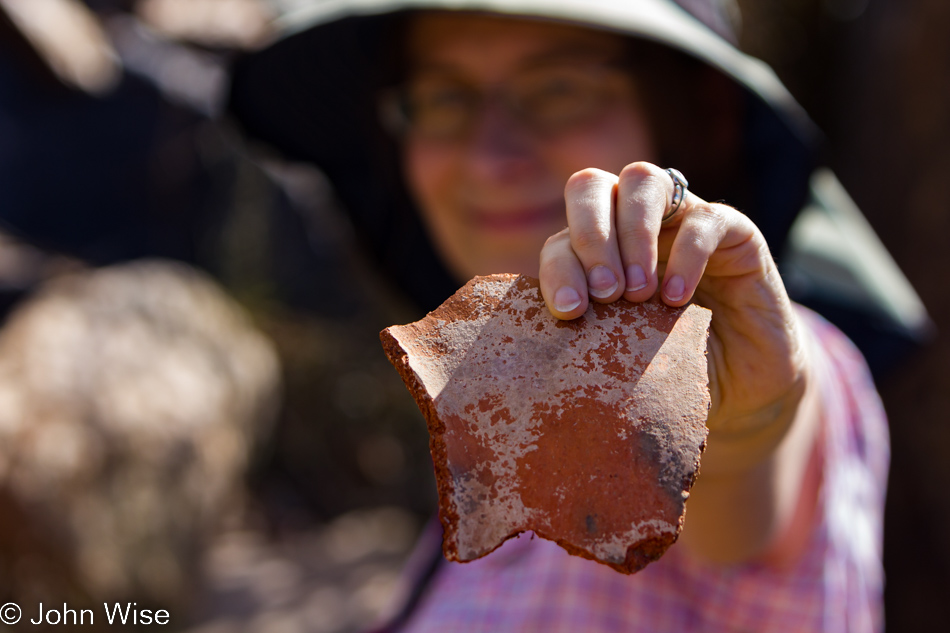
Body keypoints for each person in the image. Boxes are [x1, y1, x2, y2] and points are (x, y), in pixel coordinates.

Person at [228, 0, 907, 630]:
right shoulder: (504, 425)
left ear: (698, 115)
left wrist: (732, 423)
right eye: (443, 98)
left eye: (558, 88)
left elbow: (744, 479)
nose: (490, 156)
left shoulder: (777, 354)